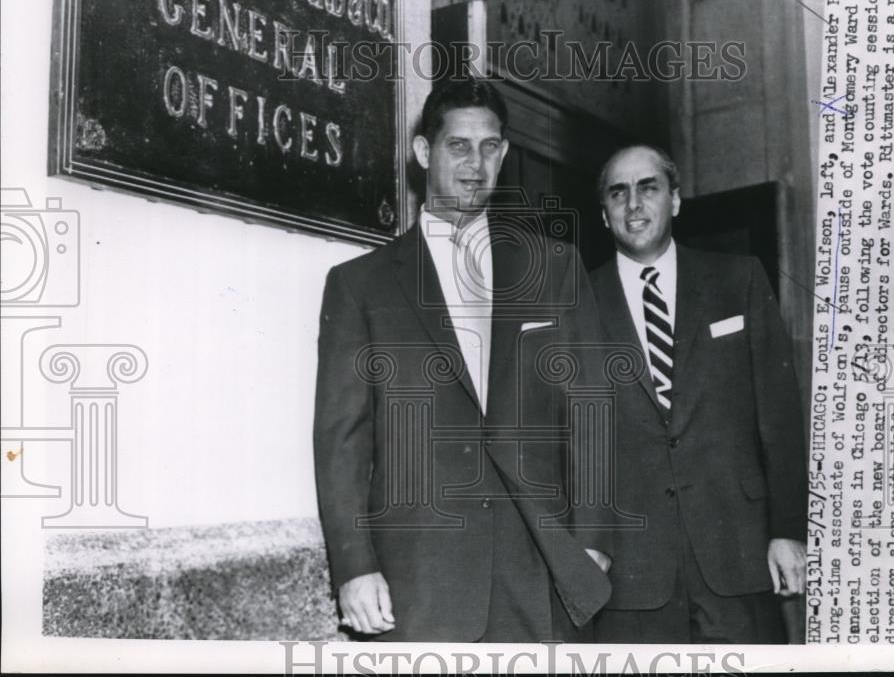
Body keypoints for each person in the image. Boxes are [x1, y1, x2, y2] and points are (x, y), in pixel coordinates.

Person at [314, 79, 612, 642]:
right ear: (425, 153)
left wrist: (593, 543)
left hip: (543, 572)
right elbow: (341, 441)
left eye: (491, 146)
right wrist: (354, 567)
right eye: (458, 146)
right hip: (421, 582)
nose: (476, 163)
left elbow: (591, 411)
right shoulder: (360, 286)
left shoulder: (555, 267)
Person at [590, 144, 807, 644]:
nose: (634, 205)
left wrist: (789, 528)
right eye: (618, 193)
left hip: (740, 554)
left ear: (677, 200)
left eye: (649, 187)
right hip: (629, 575)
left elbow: (780, 415)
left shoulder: (739, 280)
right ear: (605, 214)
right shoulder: (576, 301)